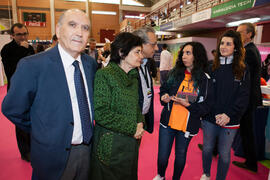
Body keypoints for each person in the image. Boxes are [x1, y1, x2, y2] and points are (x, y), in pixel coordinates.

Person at [1, 9, 96, 180]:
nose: (79, 33)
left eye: (85, 28)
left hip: (88, 151)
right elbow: (12, 109)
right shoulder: (32, 66)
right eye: (72, 25)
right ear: (58, 31)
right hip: (52, 157)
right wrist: (43, 129)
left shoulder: (90, 64)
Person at [153, 42, 213, 180]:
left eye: (188, 53)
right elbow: (164, 89)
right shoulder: (175, 72)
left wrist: (189, 105)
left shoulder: (204, 79)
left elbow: (206, 106)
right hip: (167, 122)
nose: (183, 56)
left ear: (196, 56)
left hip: (187, 125)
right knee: (162, 156)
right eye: (183, 53)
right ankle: (160, 175)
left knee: (180, 156)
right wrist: (164, 96)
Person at [91, 32, 144, 180]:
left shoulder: (133, 76)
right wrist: (132, 127)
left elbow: (136, 105)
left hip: (131, 144)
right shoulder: (104, 75)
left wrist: (140, 121)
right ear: (122, 53)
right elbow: (101, 113)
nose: (141, 56)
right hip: (110, 144)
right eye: (137, 52)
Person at [200, 30, 250, 180]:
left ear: (235, 47)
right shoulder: (210, 67)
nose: (223, 46)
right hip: (210, 118)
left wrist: (229, 114)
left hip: (231, 119)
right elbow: (205, 92)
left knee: (225, 153)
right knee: (207, 148)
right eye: (222, 43)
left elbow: (243, 96)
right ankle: (206, 174)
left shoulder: (243, 69)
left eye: (228, 44)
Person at [1, 22, 35, 162]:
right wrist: (22, 50)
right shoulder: (6, 49)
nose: (22, 37)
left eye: (24, 34)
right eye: (19, 34)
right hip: (16, 91)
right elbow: (12, 71)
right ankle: (25, 152)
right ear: (12, 35)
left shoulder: (30, 48)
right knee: (20, 122)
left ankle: (34, 148)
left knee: (33, 120)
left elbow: (34, 69)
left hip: (32, 90)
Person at [233, 23, 263, 172]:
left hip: (248, 98)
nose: (238, 34)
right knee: (245, 131)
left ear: (249, 34)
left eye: (240, 32)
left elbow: (244, 76)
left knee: (247, 131)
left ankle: (251, 163)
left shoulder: (250, 52)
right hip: (248, 98)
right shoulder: (250, 50)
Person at [133, 26, 158, 134]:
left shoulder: (146, 64)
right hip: (131, 122)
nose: (156, 48)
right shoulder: (128, 68)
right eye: (153, 44)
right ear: (141, 45)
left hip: (142, 118)